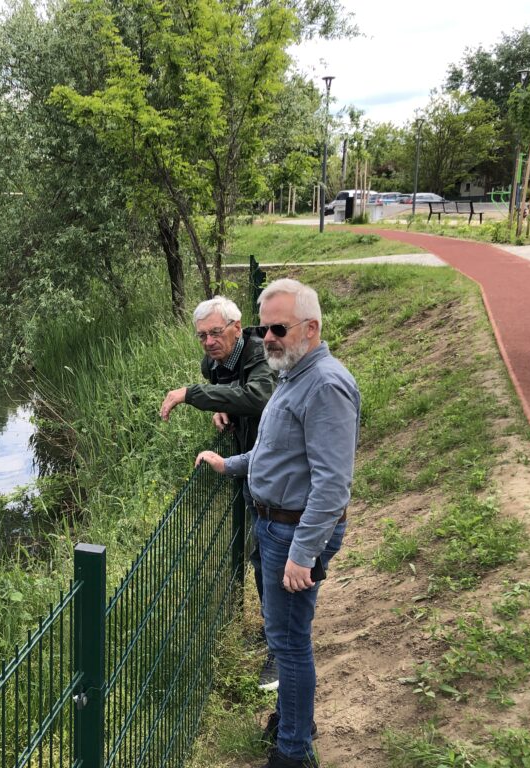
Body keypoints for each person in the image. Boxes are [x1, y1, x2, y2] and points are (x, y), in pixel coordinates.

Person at [194, 279, 360, 768]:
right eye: (263, 328)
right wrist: (230, 465)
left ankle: (293, 751)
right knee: (285, 636)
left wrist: (302, 554)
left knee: (288, 643)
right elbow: (274, 452)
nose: (267, 338)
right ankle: (292, 721)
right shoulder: (291, 375)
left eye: (279, 329)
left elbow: (332, 484)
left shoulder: (325, 385)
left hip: (294, 531)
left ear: (311, 328)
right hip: (277, 525)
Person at [159, 296, 277, 686]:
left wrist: (194, 395)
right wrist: (222, 409)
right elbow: (233, 394)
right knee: (261, 552)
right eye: (202, 336)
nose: (209, 342)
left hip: (279, 466)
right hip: (250, 463)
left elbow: (258, 396)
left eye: (215, 332)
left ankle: (282, 648)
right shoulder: (213, 364)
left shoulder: (260, 354)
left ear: (236, 327)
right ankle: (274, 630)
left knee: (273, 554)